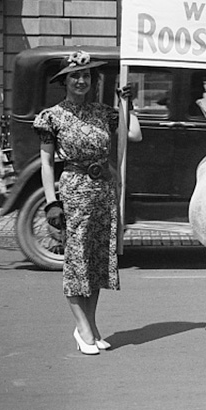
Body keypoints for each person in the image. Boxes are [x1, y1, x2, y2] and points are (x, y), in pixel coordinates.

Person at [34, 50, 142, 355]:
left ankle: (91, 327)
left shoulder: (103, 112)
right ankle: (81, 328)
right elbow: (45, 164)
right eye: (75, 76)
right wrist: (51, 203)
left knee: (97, 262)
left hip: (103, 192)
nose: (82, 81)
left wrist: (126, 105)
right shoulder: (52, 117)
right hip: (74, 191)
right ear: (65, 81)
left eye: (86, 76)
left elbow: (133, 135)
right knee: (76, 262)